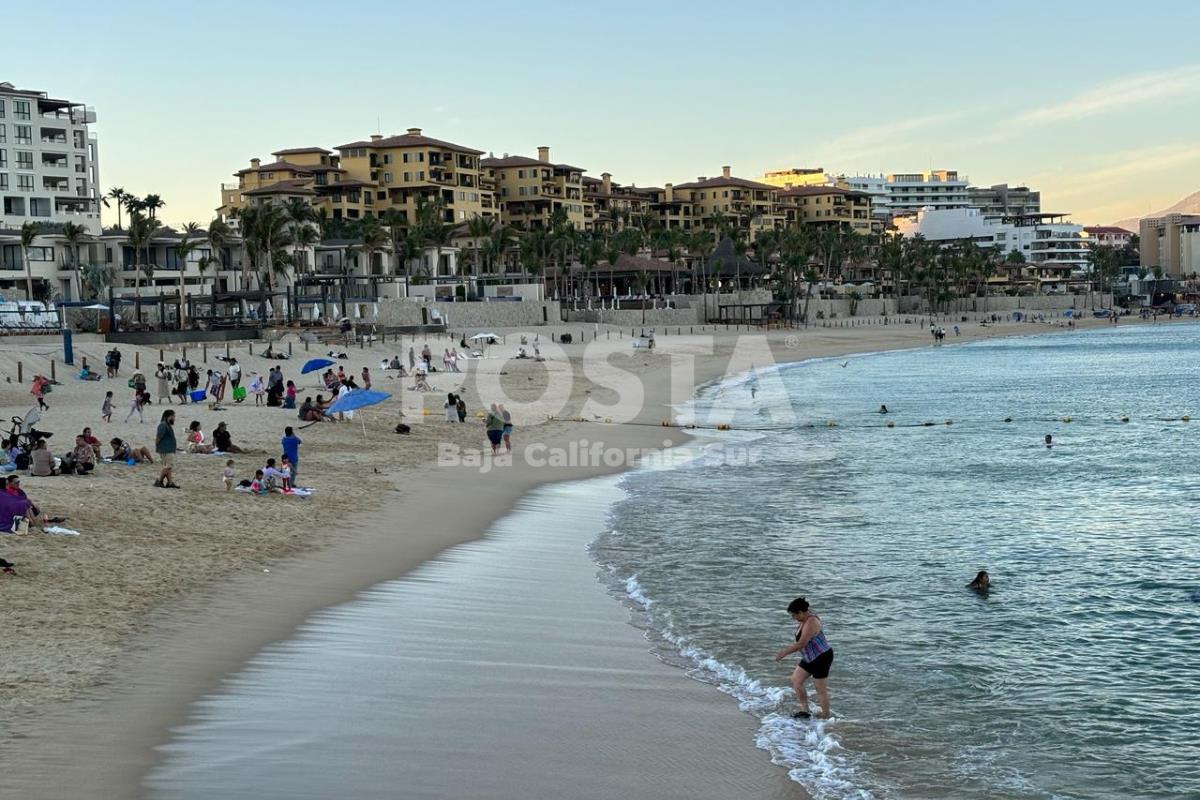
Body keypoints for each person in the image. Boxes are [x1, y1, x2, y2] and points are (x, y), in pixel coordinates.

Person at [773, 597, 833, 719]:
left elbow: (802, 643)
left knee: (820, 689)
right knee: (796, 680)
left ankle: (825, 715)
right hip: (809, 657)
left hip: (821, 657)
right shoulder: (803, 619)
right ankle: (805, 710)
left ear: (801, 612)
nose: (793, 618)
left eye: (794, 615)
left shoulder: (811, 622)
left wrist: (783, 653)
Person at [154, 410, 179, 489]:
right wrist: (157, 446)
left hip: (168, 448)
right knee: (168, 466)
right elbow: (159, 437)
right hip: (166, 449)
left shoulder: (166, 425)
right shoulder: (163, 425)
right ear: (167, 417)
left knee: (168, 466)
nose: (174, 418)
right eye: (173, 416)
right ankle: (160, 481)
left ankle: (170, 482)